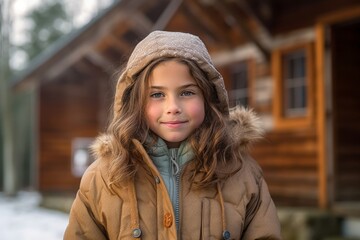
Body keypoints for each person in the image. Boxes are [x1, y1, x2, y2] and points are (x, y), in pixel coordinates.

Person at [64, 30, 281, 240]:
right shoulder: (102, 177)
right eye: (157, 94)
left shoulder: (242, 174)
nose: (173, 107)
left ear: (208, 97)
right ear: (135, 103)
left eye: (187, 92)